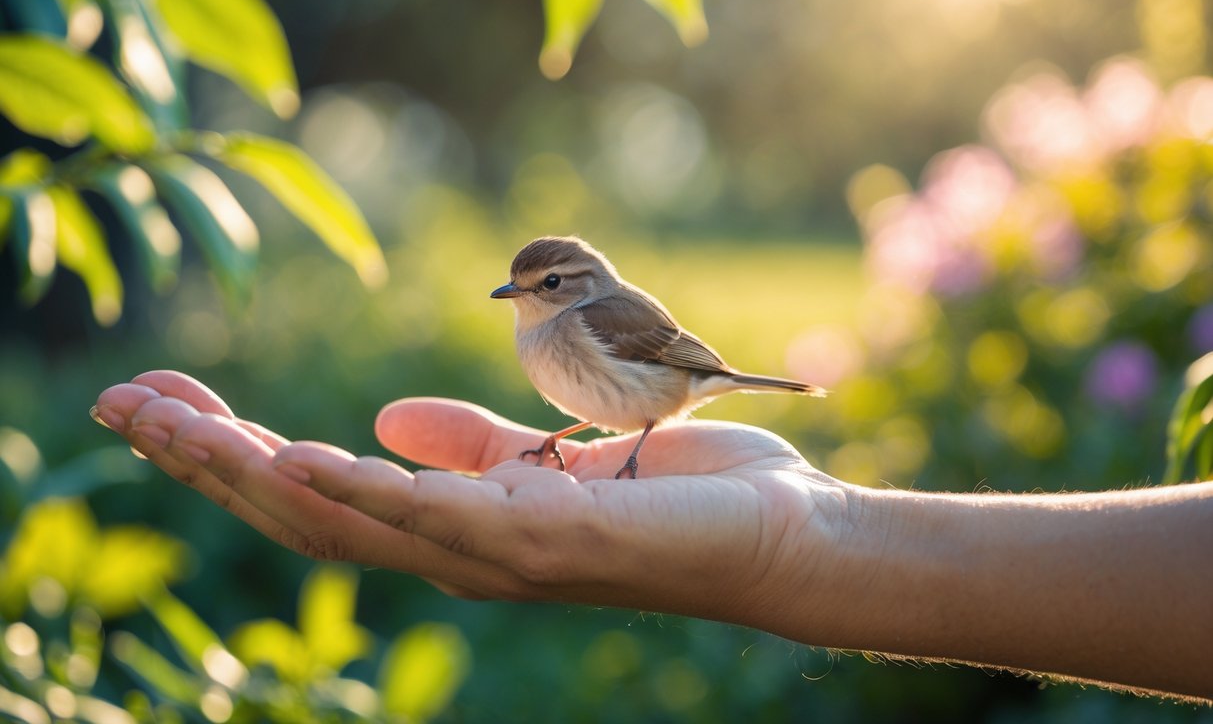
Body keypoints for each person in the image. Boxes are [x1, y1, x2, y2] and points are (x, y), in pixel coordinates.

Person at [93, 370, 1213, 703]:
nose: (526, 300)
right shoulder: (557, 331)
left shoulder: (599, 323)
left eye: (545, 287)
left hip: (668, 420)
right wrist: (807, 535)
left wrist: (799, 538)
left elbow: (662, 372)